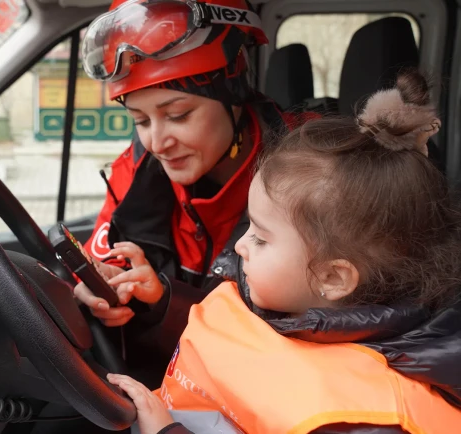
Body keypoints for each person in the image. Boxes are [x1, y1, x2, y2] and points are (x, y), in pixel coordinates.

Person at [105, 69, 461, 434]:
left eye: (260, 237)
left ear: (332, 277)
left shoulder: (368, 415)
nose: (239, 246)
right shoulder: (275, 300)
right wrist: (164, 301)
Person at [76, 0, 318, 374]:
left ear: (233, 96)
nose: (157, 142)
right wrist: (99, 287)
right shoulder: (138, 166)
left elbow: (304, 342)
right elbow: (104, 258)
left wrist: (165, 302)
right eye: (140, 120)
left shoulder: (317, 169)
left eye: (178, 115)